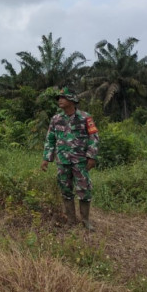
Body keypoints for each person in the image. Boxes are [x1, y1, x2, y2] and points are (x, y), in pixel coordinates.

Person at [40, 87, 100, 230]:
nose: (60, 100)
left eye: (63, 97)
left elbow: (94, 137)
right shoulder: (56, 119)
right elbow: (50, 139)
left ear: (72, 100)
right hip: (62, 161)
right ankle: (71, 221)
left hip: (80, 161)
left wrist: (91, 156)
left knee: (84, 190)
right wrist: (46, 158)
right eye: (59, 98)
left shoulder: (85, 117)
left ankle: (85, 221)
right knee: (65, 190)